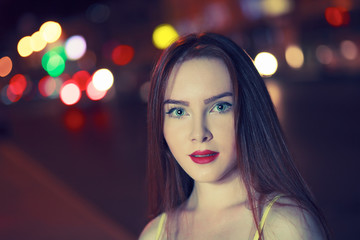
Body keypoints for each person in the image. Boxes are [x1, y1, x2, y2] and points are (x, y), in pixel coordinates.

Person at [139, 32, 329, 240]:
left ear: (248, 111)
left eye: (219, 107)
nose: (199, 134)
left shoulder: (286, 226)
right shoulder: (153, 234)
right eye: (178, 111)